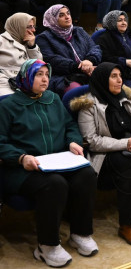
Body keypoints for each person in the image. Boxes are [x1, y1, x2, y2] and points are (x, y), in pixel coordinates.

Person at [0, 59, 98, 267]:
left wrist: (73, 141)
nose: (45, 79)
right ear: (26, 77)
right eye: (39, 74)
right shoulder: (8, 106)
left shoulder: (53, 99)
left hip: (56, 161)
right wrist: (21, 157)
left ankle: (80, 233)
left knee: (87, 174)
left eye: (47, 74)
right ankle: (47, 246)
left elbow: (70, 125)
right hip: (21, 168)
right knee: (54, 184)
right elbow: (1, 142)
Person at [71, 63, 131, 246]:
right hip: (107, 154)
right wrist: (125, 144)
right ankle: (128, 224)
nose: (119, 80)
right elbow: (92, 141)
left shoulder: (128, 98)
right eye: (113, 76)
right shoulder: (88, 105)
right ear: (102, 79)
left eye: (120, 75)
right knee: (126, 164)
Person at [37, 4, 101, 95]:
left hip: (88, 70)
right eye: (61, 15)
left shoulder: (79, 31)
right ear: (52, 19)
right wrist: (79, 66)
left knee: (110, 79)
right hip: (63, 77)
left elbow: (95, 48)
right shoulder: (43, 38)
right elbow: (52, 60)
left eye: (68, 13)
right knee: (77, 92)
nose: (67, 17)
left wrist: (89, 60)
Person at [95, 10, 131, 82]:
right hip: (124, 75)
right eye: (119, 20)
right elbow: (105, 58)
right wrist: (125, 62)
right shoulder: (104, 39)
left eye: (125, 20)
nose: (124, 23)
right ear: (111, 22)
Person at [0, 13, 43, 96]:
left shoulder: (29, 42)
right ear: (18, 26)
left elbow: (39, 66)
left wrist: (32, 47)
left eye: (34, 27)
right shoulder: (1, 41)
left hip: (28, 84)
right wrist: (6, 81)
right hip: (4, 85)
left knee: (51, 98)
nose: (33, 30)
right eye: (29, 27)